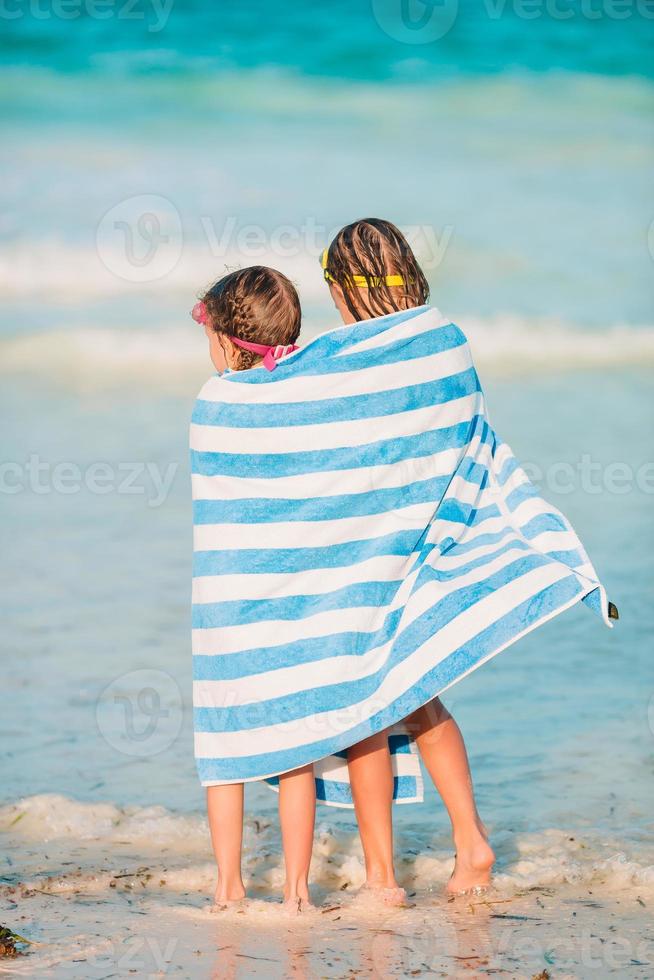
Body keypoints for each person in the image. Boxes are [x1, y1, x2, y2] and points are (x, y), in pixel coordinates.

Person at [321, 218, 495, 900]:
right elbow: (464, 431)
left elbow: (336, 447)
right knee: (419, 696)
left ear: (343, 287)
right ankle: (471, 844)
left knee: (363, 706)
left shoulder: (349, 355)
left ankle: (382, 876)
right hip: (427, 540)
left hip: (368, 549)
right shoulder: (445, 340)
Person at [191, 266, 314, 913]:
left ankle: (229, 887)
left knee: (225, 747)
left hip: (225, 605)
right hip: (293, 597)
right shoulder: (303, 409)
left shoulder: (213, 405)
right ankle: (297, 893)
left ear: (228, 343)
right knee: (296, 747)